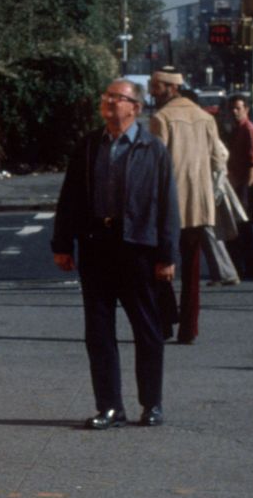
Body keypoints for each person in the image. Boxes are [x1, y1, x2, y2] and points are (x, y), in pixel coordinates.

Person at [51, 79, 180, 429]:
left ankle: (151, 404)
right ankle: (109, 406)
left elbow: (168, 204)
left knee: (147, 330)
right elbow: (71, 197)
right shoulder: (90, 146)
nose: (108, 101)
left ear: (134, 108)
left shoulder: (152, 149)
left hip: (138, 247)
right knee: (98, 331)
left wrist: (167, 255)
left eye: (116, 97)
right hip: (97, 244)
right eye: (106, 95)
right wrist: (62, 244)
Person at [148, 69, 231, 344]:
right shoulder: (205, 118)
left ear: (170, 88)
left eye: (155, 86)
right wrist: (212, 193)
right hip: (200, 204)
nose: (151, 90)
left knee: (159, 263)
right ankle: (189, 327)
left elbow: (155, 167)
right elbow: (219, 160)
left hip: (169, 206)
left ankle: (166, 319)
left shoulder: (161, 119)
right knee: (192, 269)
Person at [221, 95, 253, 280]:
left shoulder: (249, 130)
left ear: (246, 109)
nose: (234, 112)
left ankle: (249, 268)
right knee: (240, 230)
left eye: (238, 108)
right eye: (232, 108)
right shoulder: (236, 130)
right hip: (235, 183)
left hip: (242, 187)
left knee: (242, 230)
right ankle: (244, 267)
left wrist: (245, 190)